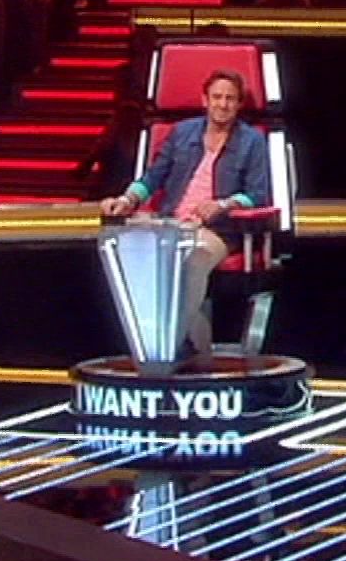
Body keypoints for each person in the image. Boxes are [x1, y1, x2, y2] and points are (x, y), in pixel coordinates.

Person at [97, 70, 271, 363]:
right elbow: (152, 178)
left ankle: (164, 348)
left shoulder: (252, 141)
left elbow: (258, 194)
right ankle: (194, 352)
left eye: (230, 99)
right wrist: (127, 200)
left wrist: (223, 204)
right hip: (172, 224)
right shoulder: (182, 133)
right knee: (132, 255)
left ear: (239, 104)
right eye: (217, 97)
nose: (223, 104)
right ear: (205, 100)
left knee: (191, 261)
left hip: (218, 230)